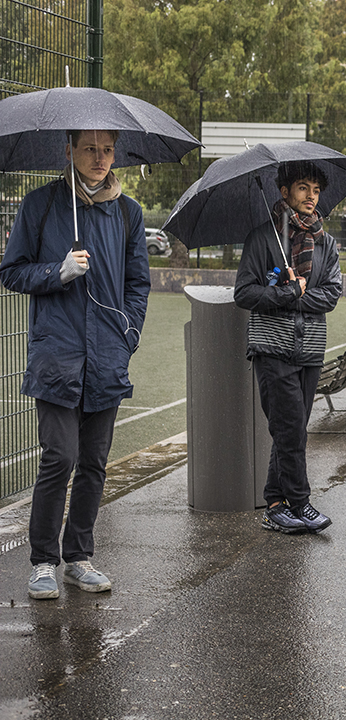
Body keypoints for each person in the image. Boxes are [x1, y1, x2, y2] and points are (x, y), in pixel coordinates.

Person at [0, 130, 150, 600]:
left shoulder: (128, 212)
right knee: (59, 457)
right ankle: (43, 561)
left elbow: (137, 283)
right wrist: (57, 272)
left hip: (108, 357)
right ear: (69, 150)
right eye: (90, 148)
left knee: (93, 463)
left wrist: (129, 335)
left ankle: (78, 557)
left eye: (107, 149)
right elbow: (11, 270)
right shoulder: (41, 205)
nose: (100, 158)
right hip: (57, 355)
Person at [234, 161, 342, 534]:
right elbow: (245, 293)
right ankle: (301, 502)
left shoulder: (326, 242)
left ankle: (275, 504)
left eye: (315, 190)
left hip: (310, 350)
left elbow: (330, 295)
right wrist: (287, 291)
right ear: (285, 192)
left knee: (288, 431)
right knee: (291, 429)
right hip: (272, 348)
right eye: (302, 188)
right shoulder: (263, 238)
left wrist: (296, 295)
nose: (311, 197)